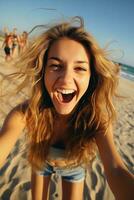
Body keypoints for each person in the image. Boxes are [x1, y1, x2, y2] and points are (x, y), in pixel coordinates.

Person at [0, 16, 133, 200]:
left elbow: (116, 169)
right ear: (43, 71)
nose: (65, 80)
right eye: (55, 65)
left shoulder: (96, 118)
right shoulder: (26, 113)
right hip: (41, 162)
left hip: (74, 167)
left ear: (91, 77)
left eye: (79, 68)